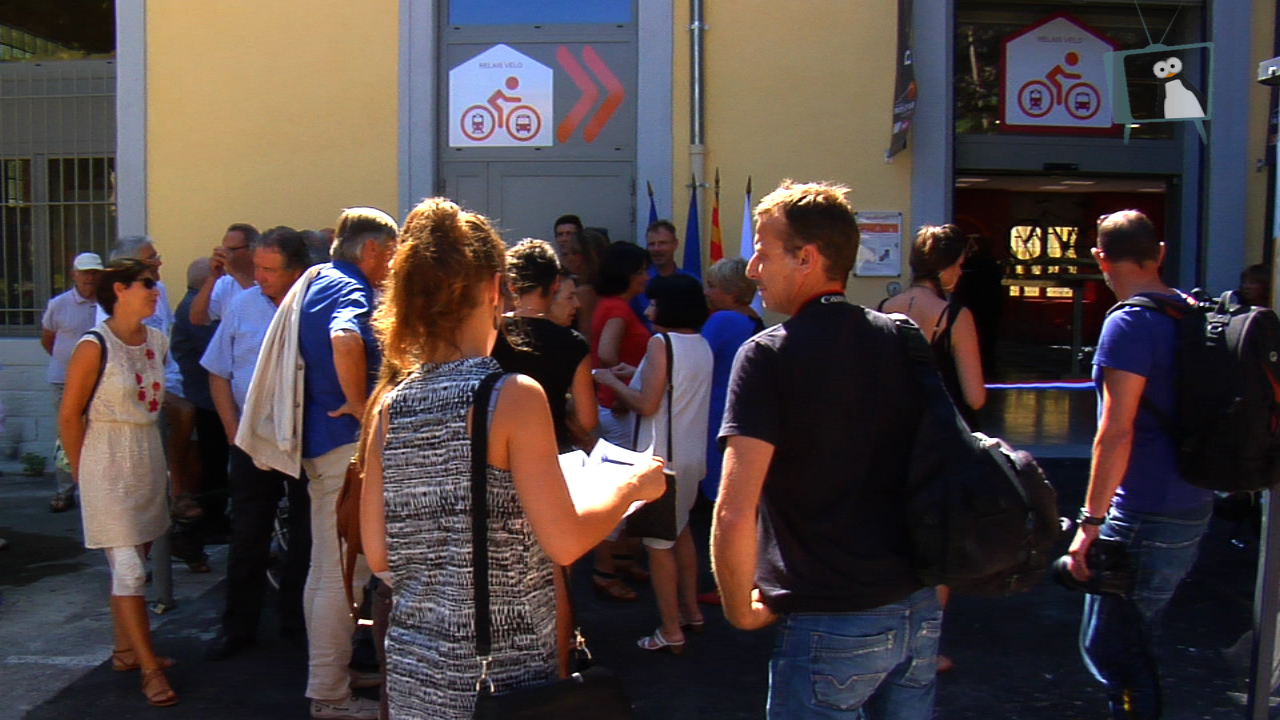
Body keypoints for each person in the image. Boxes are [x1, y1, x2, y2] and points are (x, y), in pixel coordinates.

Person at [357, 197, 665, 720]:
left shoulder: (389, 403)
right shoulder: (511, 395)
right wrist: (633, 485)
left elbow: (380, 554)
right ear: (494, 289)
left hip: (415, 674)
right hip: (502, 676)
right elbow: (564, 540)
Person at [713, 180, 938, 719]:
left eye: (763, 254)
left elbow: (735, 507)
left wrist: (739, 608)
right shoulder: (902, 339)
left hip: (830, 616)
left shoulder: (768, 355)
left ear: (806, 258)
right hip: (917, 608)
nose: (752, 270)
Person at [1065, 210, 1214, 720]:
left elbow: (1117, 431)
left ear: (1100, 258)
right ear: (1161, 253)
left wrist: (1091, 522)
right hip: (1193, 500)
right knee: (1133, 640)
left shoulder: (1129, 324)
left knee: (1114, 650)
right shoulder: (1191, 312)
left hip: (1143, 511)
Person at [58, 258, 179, 708]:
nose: (155, 290)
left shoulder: (157, 341)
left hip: (145, 457)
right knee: (129, 570)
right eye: (147, 283)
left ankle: (126, 651)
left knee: (132, 563)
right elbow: (70, 415)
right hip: (105, 460)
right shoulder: (94, 346)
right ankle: (148, 669)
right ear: (121, 289)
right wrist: (81, 471)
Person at [297, 207, 399, 720]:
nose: (394, 267)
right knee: (342, 575)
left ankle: (330, 680)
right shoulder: (349, 288)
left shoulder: (320, 280)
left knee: (326, 573)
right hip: (345, 449)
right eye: (392, 255)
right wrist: (361, 406)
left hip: (323, 446)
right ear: (372, 251)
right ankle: (330, 698)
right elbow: (345, 336)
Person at [202, 227, 313, 662]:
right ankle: (238, 627)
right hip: (251, 439)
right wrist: (233, 433)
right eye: (258, 267)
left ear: (295, 270)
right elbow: (217, 372)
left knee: (306, 539)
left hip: (305, 442)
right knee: (248, 535)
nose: (259, 275)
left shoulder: (314, 306)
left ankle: (297, 625)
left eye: (269, 269)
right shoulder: (242, 305)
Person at [594, 274, 713, 654]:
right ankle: (691, 612)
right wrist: (633, 374)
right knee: (682, 535)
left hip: (662, 464)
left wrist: (606, 381)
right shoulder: (700, 344)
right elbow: (669, 388)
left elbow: (647, 403)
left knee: (658, 547)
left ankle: (670, 629)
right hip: (692, 458)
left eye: (654, 304)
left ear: (670, 306)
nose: (647, 310)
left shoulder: (662, 344)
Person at [490, 239, 596, 452]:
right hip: (552, 449)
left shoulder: (490, 331)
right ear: (555, 283)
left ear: (511, 286)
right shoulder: (573, 343)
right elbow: (587, 420)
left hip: (498, 449)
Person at [880, 224, 985, 429]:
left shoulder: (885, 308)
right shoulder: (956, 316)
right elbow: (975, 398)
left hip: (897, 430)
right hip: (944, 433)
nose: (960, 273)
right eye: (957, 265)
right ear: (942, 269)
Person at [43, 251, 103, 513]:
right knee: (65, 436)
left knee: (99, 434)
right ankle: (65, 489)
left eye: (94, 272)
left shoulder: (108, 303)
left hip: (100, 382)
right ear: (74, 275)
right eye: (85, 272)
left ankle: (95, 490)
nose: (90, 277)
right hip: (63, 380)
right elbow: (48, 339)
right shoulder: (58, 304)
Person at [699, 257, 763, 502]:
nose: (707, 292)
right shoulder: (754, 319)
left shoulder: (723, 320)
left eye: (712, 285)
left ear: (733, 291)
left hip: (716, 416)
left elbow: (694, 361)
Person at [591, 241, 652, 447]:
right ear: (626, 273)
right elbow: (606, 353)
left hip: (615, 403)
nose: (647, 277)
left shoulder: (611, 304)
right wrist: (621, 393)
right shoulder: (618, 309)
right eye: (641, 271)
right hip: (618, 406)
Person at [189, 223, 260, 326]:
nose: (225, 254)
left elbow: (264, 305)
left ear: (252, 249)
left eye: (231, 250)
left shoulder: (268, 279)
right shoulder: (224, 283)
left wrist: (236, 272)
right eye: (223, 249)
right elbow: (197, 318)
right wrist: (212, 277)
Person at [630, 219, 697, 323]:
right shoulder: (638, 282)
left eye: (662, 243)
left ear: (675, 244)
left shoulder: (692, 281)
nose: (657, 249)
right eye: (652, 244)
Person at [565, 228, 610, 338]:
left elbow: (586, 334)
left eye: (572, 253)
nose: (568, 258)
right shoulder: (608, 287)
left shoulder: (584, 293)